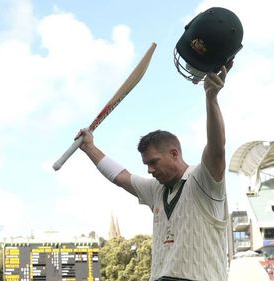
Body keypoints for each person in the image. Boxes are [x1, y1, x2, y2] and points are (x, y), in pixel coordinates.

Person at [77, 63, 232, 281]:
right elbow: (121, 177)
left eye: (154, 162)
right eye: (146, 165)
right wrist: (89, 147)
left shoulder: (203, 180)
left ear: (174, 153)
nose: (150, 170)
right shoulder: (156, 190)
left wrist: (211, 98)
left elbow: (217, 149)